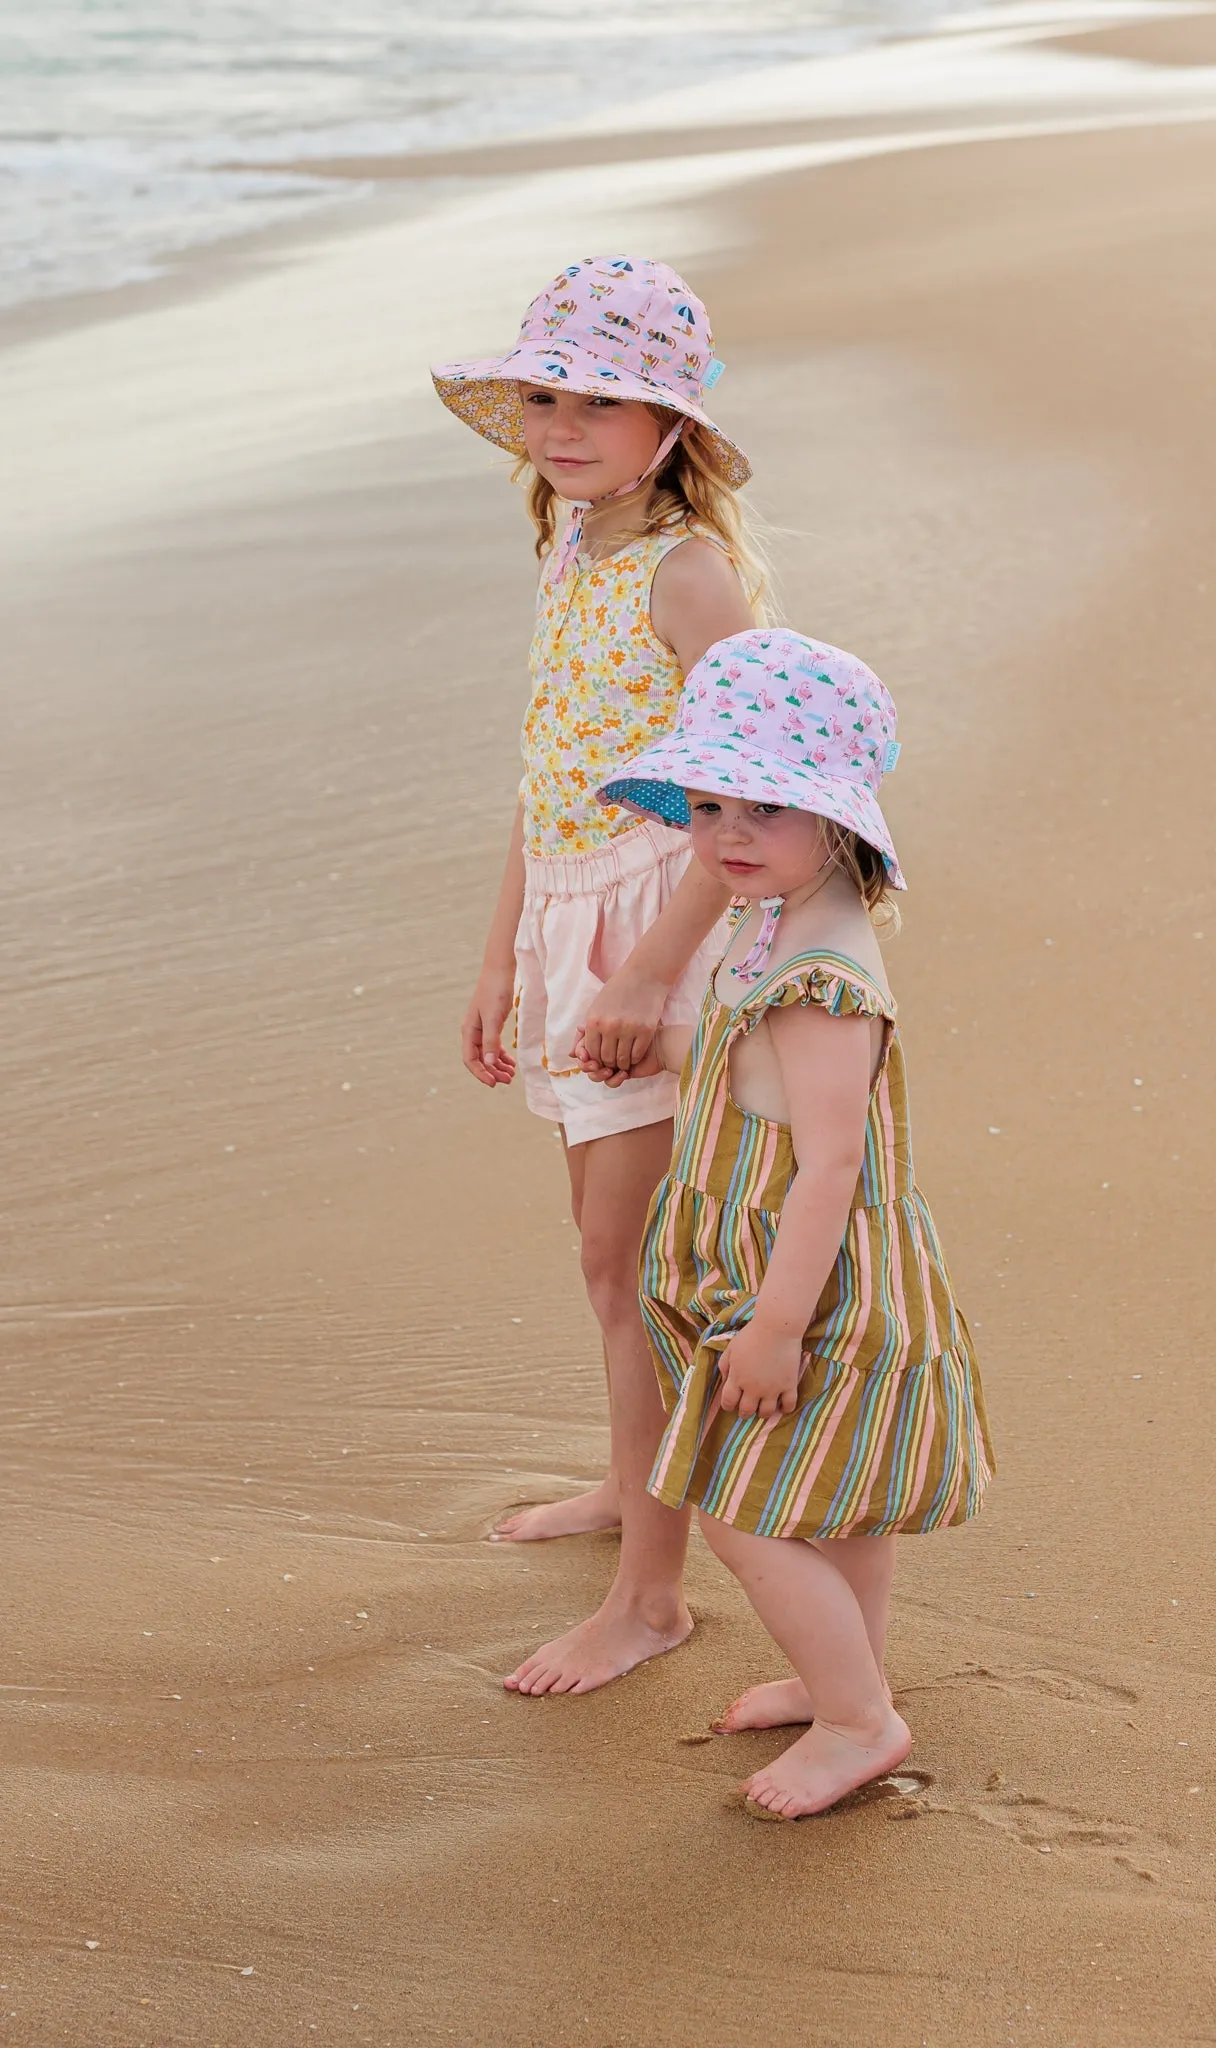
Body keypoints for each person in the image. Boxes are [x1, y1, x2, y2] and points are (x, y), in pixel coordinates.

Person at [582, 627, 994, 1817]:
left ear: (838, 822)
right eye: (708, 806)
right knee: (835, 1494)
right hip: (793, 1271)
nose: (726, 835)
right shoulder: (772, 927)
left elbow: (829, 1162)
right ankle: (841, 1674)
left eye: (763, 806)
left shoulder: (822, 975)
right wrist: (658, 1043)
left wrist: (771, 1327)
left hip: (802, 1280)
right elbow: (742, 1062)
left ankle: (860, 1718)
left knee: (737, 1501)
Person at [431, 255, 764, 1695]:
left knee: (634, 1266)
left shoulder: (689, 576)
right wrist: (502, 953)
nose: (562, 427)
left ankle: (651, 1598)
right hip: (567, 922)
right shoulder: (568, 547)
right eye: (545, 395)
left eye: (602, 402)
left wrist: (645, 972)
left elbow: (752, 797)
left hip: (658, 930)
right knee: (599, 1256)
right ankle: (637, 1495)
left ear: (671, 426)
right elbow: (543, 775)